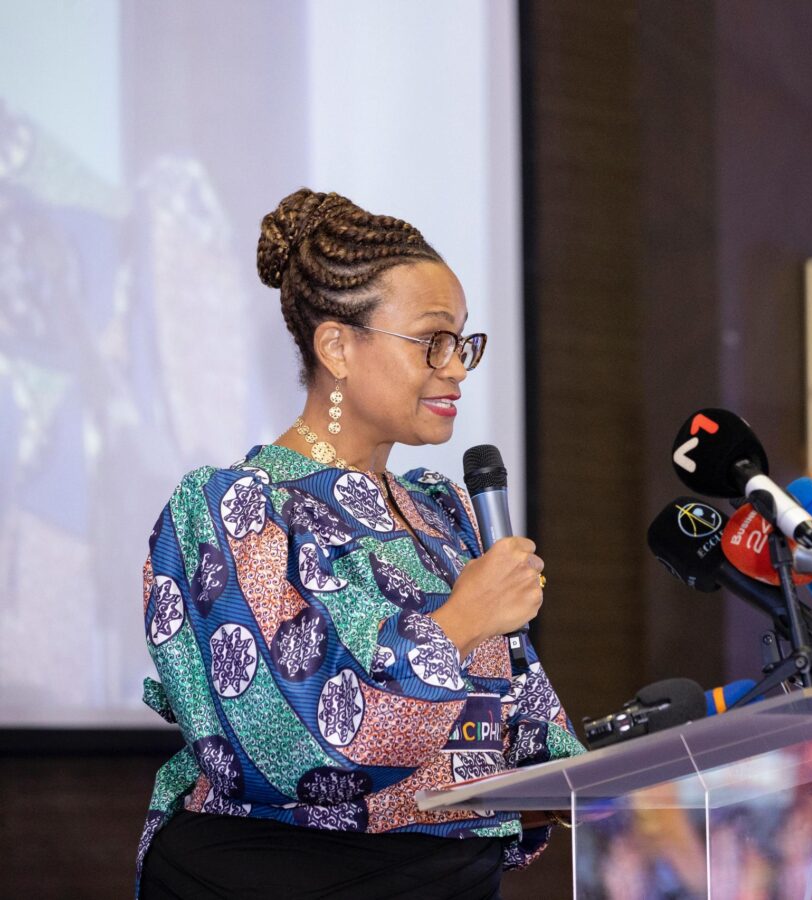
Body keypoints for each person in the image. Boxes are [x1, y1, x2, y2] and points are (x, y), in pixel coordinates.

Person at [135, 189, 584, 898]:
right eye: (433, 340)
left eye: (464, 340)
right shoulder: (237, 508)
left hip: (448, 878)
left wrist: (580, 774)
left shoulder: (442, 510)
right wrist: (461, 621)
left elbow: (514, 715)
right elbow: (291, 749)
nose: (458, 367)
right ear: (338, 346)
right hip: (285, 878)